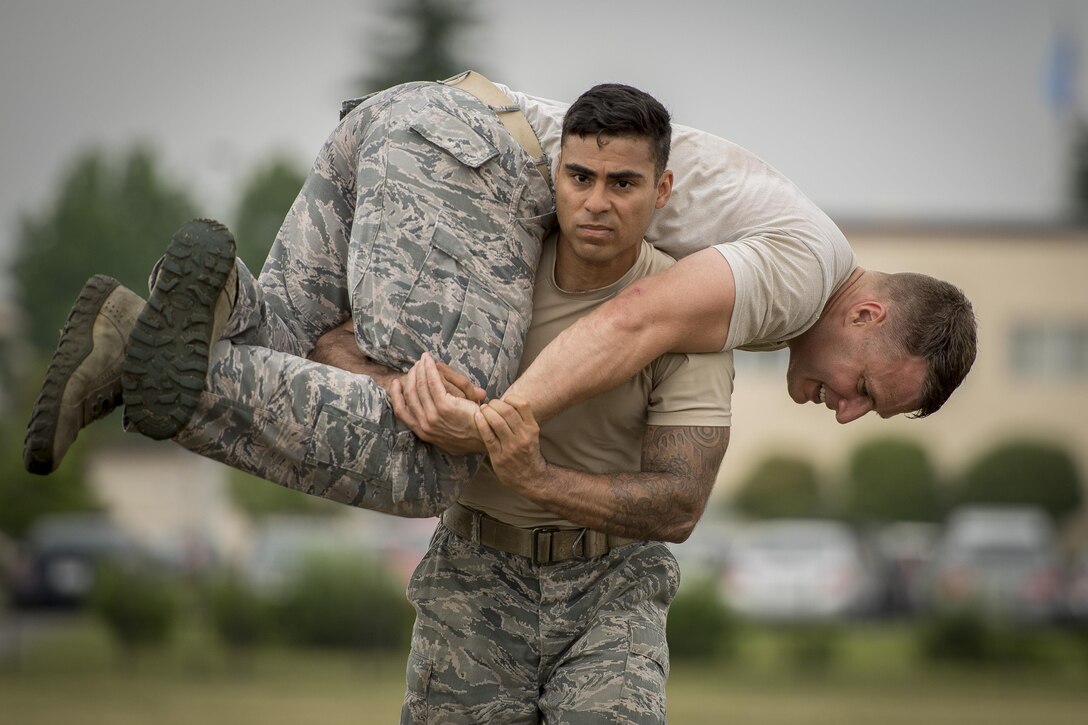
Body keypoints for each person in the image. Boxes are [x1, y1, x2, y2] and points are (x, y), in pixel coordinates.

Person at [23, 71, 977, 517]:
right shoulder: (802, 274)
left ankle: (209, 303)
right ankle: (166, 376)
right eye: (867, 387)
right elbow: (635, 319)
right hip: (475, 169)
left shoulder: (797, 240)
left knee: (292, 342)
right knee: (423, 457)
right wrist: (496, 427)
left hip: (405, 125)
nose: (846, 412)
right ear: (867, 315)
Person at [315, 82, 724, 723]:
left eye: (623, 184)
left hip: (612, 586)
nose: (596, 203)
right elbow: (333, 343)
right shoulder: (493, 264)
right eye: (580, 176)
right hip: (471, 573)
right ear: (554, 173)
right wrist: (405, 388)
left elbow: (679, 504)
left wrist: (536, 477)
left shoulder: (687, 307)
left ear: (661, 191)